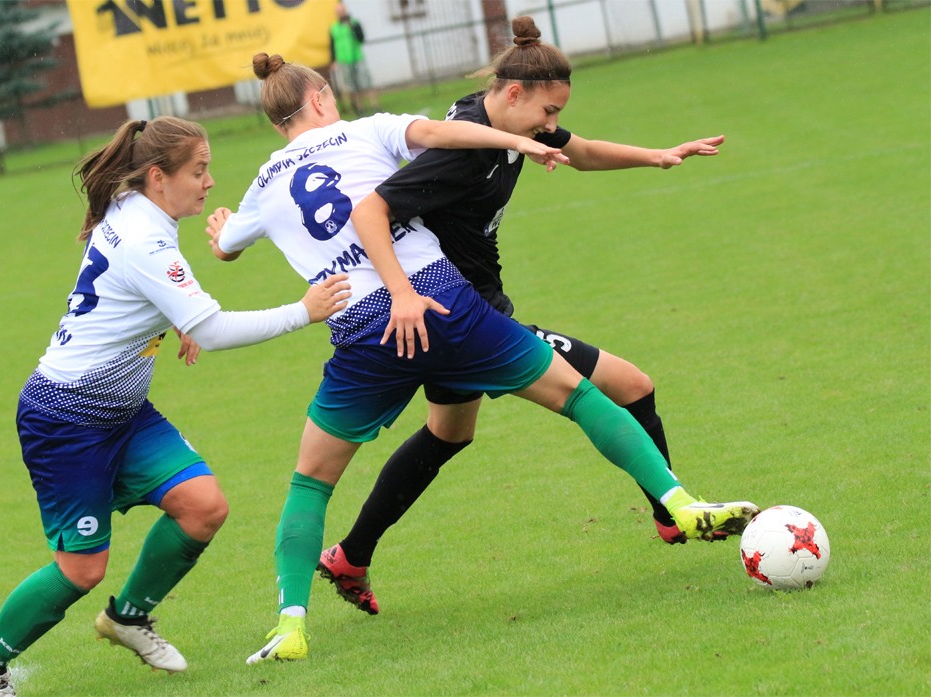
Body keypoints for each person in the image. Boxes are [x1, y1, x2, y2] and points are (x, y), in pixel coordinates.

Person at [205, 52, 757, 662]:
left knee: (315, 480)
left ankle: (291, 624)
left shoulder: (262, 184)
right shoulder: (367, 130)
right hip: (442, 301)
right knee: (578, 394)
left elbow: (225, 246)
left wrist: (225, 228)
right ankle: (679, 506)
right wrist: (512, 145)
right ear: (319, 100)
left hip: (361, 330)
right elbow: (436, 141)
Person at [317, 15, 731, 616]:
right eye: (548, 111)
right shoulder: (461, 153)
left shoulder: (505, 126)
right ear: (514, 94)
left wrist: (659, 156)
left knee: (448, 433)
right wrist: (401, 292)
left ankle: (351, 555)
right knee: (631, 386)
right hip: (469, 319)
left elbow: (581, 153)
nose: (552, 125)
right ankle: (673, 513)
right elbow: (370, 211)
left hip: (464, 312)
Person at [0, 116, 350, 697]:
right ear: (158, 177)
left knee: (202, 506)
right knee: (81, 569)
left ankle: (128, 618)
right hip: (67, 417)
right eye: (199, 170)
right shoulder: (146, 238)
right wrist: (304, 311)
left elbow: (124, 287)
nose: (209, 182)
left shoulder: (132, 208)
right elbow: (212, 329)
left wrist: (169, 319)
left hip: (121, 410)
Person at [329, 2, 381, 117]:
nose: (341, 13)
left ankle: (375, 105)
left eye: (342, 11)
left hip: (357, 57)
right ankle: (359, 108)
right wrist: (333, 60)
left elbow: (361, 38)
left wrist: (351, 27)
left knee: (366, 82)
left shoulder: (354, 23)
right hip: (343, 60)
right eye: (338, 12)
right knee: (351, 85)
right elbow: (332, 45)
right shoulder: (334, 28)